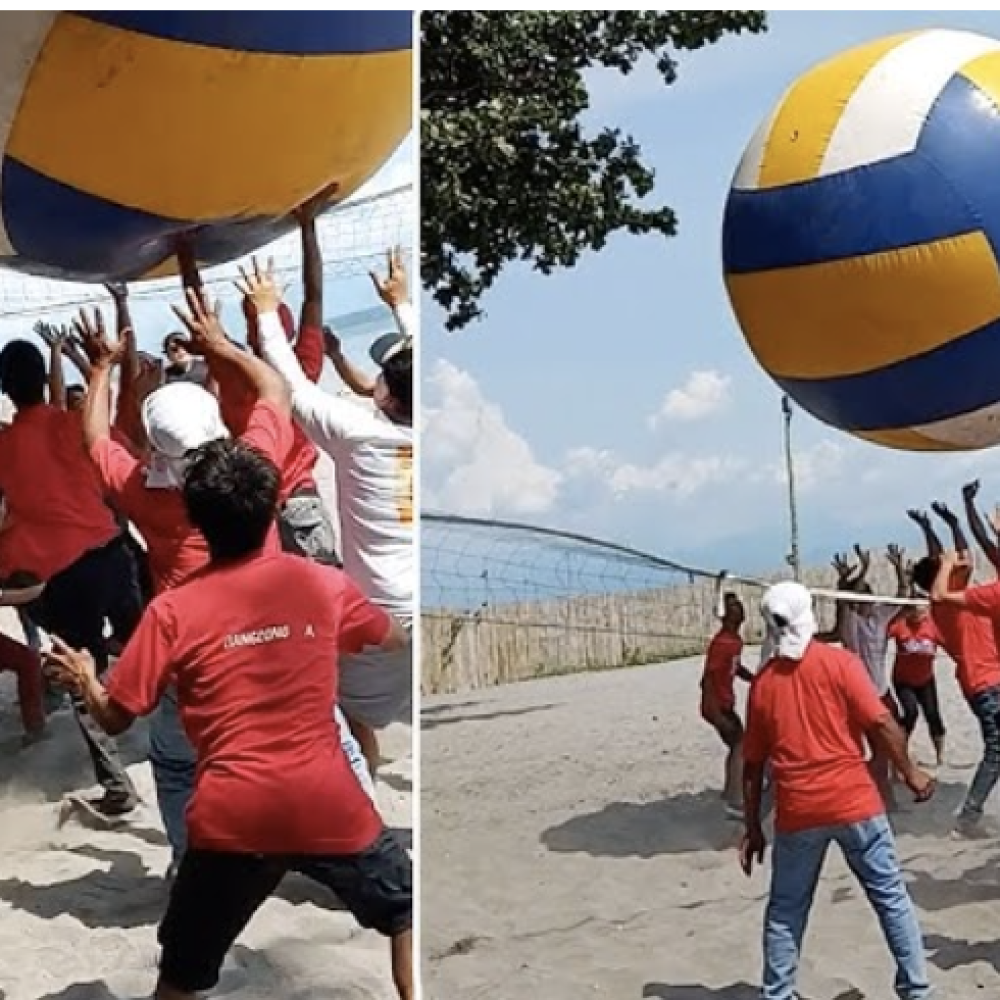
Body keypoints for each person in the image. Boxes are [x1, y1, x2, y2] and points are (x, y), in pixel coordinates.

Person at [44, 429, 414, 1000]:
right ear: (273, 510)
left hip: (231, 819)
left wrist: (87, 679)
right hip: (328, 806)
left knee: (180, 979)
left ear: (195, 520)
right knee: (405, 908)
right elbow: (389, 635)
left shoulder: (171, 611)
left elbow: (118, 718)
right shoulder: (321, 583)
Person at [75, 279, 375, 871]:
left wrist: (101, 368)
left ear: (157, 453)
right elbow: (274, 387)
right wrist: (220, 344)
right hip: (278, 651)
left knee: (181, 764)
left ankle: (195, 868)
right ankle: (361, 844)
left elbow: (95, 440)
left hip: (197, 666)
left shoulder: (146, 495)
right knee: (329, 738)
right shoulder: (255, 470)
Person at [258, 255, 414, 779]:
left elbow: (292, 386)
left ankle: (364, 802)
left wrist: (262, 314)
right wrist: (401, 306)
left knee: (345, 708)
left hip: (382, 610)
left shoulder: (359, 434)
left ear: (384, 392)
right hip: (423, 602)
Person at [741, 581, 935, 1000]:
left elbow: (752, 765)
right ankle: (917, 991)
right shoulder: (840, 663)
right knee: (891, 899)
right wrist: (911, 772)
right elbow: (882, 723)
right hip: (854, 802)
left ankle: (777, 994)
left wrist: (752, 825)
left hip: (798, 811)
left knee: (786, 911)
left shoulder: (763, 684)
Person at [0, 337, 142, 816]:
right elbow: (118, 446)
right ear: (43, 381)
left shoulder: (4, 446)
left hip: (60, 578)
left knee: (85, 675)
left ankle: (118, 786)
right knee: (154, 647)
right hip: (111, 555)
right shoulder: (70, 424)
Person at [925, 547, 1000, 837]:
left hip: (988, 682)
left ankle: (969, 816)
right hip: (985, 684)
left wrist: (954, 522)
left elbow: (965, 557)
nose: (961, 568)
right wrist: (944, 563)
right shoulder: (944, 606)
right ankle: (968, 818)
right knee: (996, 751)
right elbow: (937, 592)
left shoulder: (968, 600)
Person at [699, 590, 753, 819]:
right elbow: (707, 679)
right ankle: (734, 800)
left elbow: (736, 667)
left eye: (739, 606)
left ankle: (730, 793)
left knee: (738, 746)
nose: (739, 609)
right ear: (725, 616)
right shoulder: (722, 642)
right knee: (740, 746)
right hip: (717, 705)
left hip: (724, 703)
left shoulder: (735, 640)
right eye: (733, 608)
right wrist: (714, 712)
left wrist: (755, 679)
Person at [888, 603, 946, 767]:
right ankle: (899, 753)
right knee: (911, 713)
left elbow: (950, 645)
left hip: (925, 679)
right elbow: (879, 636)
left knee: (933, 715)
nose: (918, 613)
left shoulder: (932, 626)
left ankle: (940, 756)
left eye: (921, 610)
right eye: (914, 609)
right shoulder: (900, 625)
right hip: (903, 680)